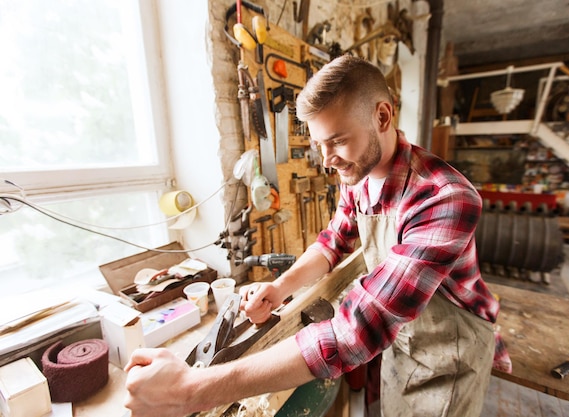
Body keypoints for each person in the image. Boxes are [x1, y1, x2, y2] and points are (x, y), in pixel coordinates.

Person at [124, 55, 511, 417]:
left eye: (338, 140)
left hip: (450, 352)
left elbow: (356, 330)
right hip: (404, 339)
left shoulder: (444, 198)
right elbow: (334, 240)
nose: (327, 160)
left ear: (382, 115)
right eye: (319, 145)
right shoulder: (358, 174)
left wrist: (192, 389)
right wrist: (280, 288)